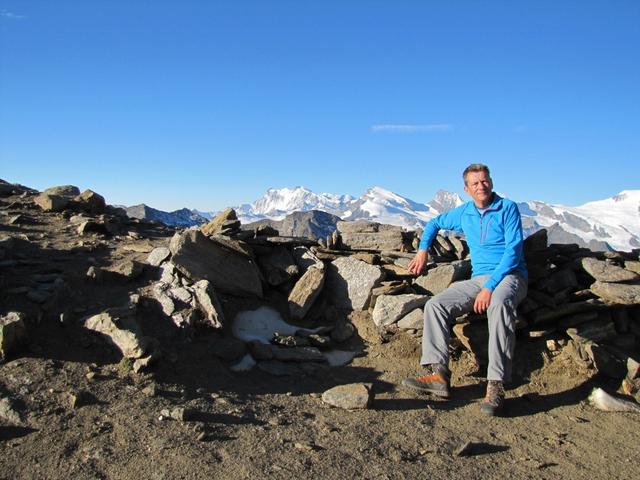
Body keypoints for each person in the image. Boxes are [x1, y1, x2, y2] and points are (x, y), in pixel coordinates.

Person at [403, 163, 528, 416]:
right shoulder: (464, 213)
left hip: (509, 276)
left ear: (491, 182)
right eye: (475, 183)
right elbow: (434, 223)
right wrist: (423, 249)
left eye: (485, 181)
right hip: (478, 278)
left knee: (499, 303)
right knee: (436, 305)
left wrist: (490, 287)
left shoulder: (507, 208)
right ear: (466, 189)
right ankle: (438, 375)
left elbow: (513, 252)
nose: (481, 186)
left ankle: (495, 385)